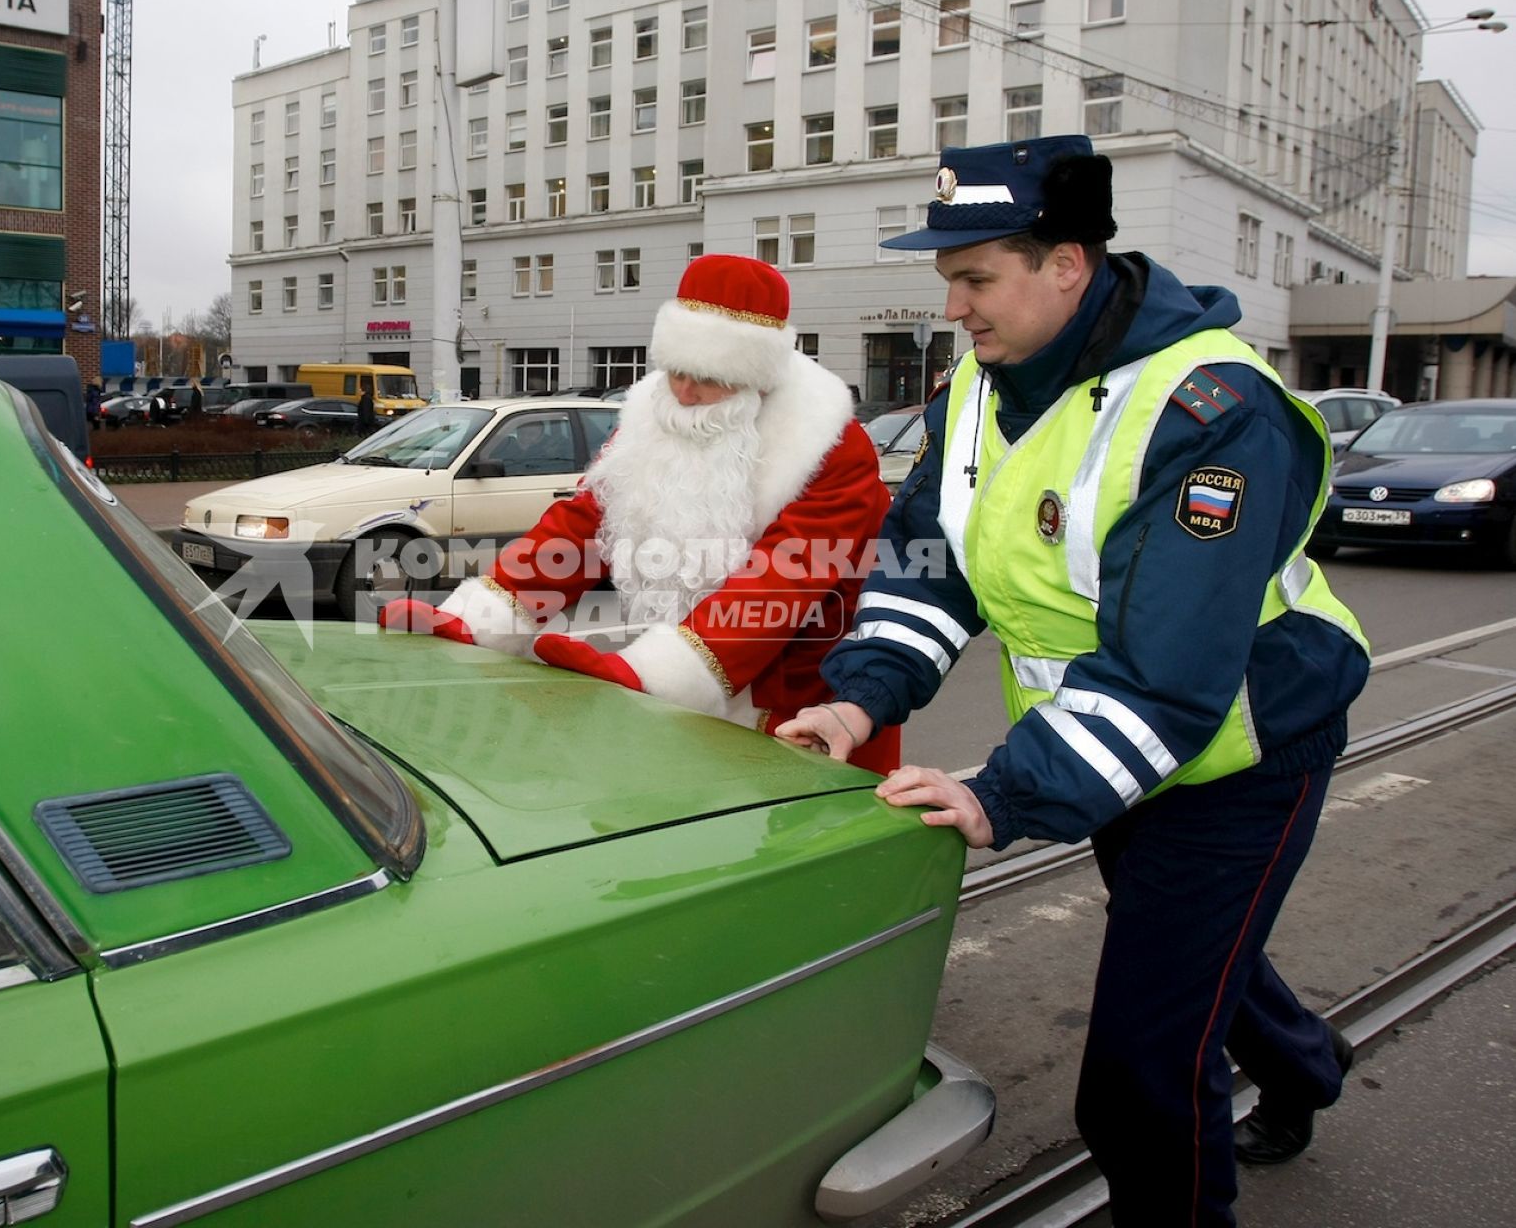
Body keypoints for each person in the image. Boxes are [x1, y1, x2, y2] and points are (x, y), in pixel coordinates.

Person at [774, 136, 1370, 1225]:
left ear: (1066, 262)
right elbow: (931, 561)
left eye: (974, 277)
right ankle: (1302, 1061)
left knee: (1141, 1071)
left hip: (1239, 751)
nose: (952, 306)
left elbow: (1167, 672)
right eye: (946, 280)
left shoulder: (1209, 406)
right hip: (1108, 746)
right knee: (1184, 950)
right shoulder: (975, 391)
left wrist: (1002, 792)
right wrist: (859, 694)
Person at [379, 254, 900, 772]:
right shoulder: (656, 411)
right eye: (675, 370)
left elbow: (783, 581)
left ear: (756, 378)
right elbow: (585, 524)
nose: (683, 391)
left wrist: (658, 675)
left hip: (800, 698)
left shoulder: (829, 447)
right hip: (697, 692)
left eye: (705, 377)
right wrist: (482, 618)